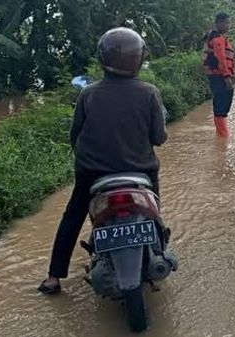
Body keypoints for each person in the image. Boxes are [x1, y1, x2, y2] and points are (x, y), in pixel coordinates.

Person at [38, 28, 167, 295]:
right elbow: (159, 137)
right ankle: (158, 247)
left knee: (73, 215)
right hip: (140, 171)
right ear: (138, 59)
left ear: (103, 59)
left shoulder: (89, 94)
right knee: (153, 208)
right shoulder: (149, 92)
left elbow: (74, 134)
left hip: (93, 174)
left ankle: (53, 277)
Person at [203, 12, 235, 138]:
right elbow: (221, 58)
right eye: (227, 23)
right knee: (222, 106)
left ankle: (221, 134)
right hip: (220, 77)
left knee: (220, 105)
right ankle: (223, 136)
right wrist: (227, 77)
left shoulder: (214, 37)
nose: (229, 25)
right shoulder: (217, 39)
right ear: (219, 23)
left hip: (216, 76)